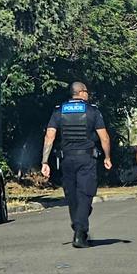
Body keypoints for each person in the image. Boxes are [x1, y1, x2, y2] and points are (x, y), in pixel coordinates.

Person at [41, 82, 112, 248]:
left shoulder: (59, 111)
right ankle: (80, 231)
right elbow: (105, 137)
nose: (88, 94)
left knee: (72, 195)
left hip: (66, 160)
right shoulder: (92, 111)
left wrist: (45, 161)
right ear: (81, 93)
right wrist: (107, 157)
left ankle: (79, 224)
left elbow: (49, 137)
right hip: (86, 159)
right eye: (86, 91)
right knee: (85, 194)